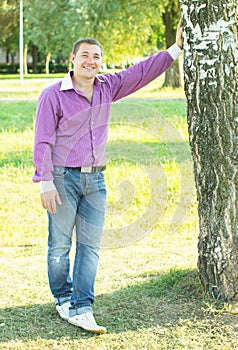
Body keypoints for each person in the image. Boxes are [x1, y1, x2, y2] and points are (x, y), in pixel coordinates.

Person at [33, 20, 183, 334]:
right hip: (62, 178)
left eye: (97, 56)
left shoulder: (108, 86)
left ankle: (82, 306)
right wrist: (45, 181)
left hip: (95, 181)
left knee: (90, 246)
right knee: (60, 246)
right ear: (72, 59)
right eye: (85, 55)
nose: (91, 61)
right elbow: (43, 140)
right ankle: (63, 297)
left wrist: (175, 49)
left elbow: (140, 72)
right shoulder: (53, 96)